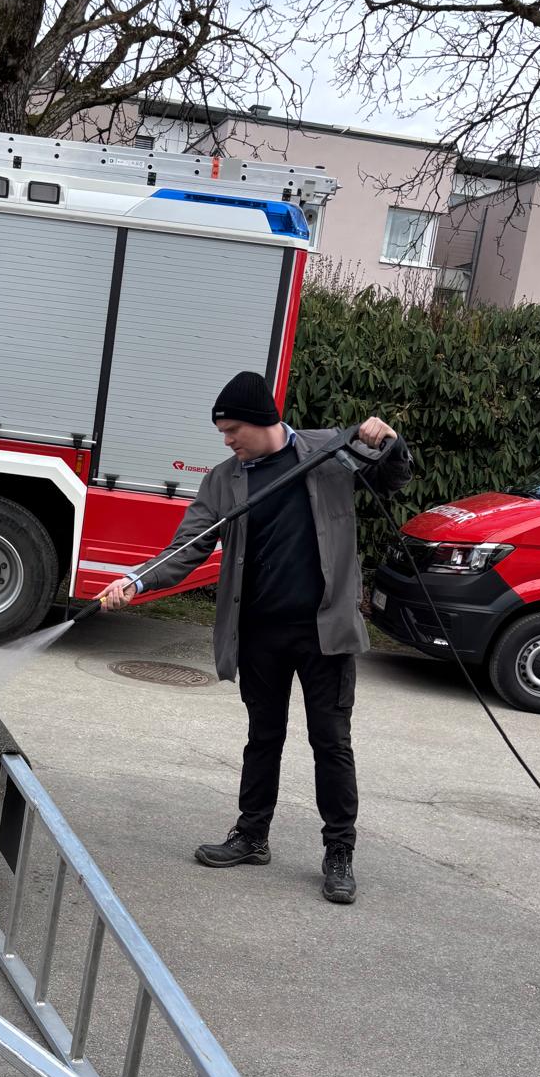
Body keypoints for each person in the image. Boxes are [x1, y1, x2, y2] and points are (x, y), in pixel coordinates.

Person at [99, 371, 412, 905]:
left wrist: (389, 442)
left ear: (262, 420)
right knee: (263, 737)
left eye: (232, 430)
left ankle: (339, 852)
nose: (226, 441)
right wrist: (136, 580)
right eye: (222, 432)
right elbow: (187, 548)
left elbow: (391, 479)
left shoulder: (329, 452)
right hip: (260, 633)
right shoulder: (224, 481)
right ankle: (252, 836)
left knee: (330, 742)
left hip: (324, 632)